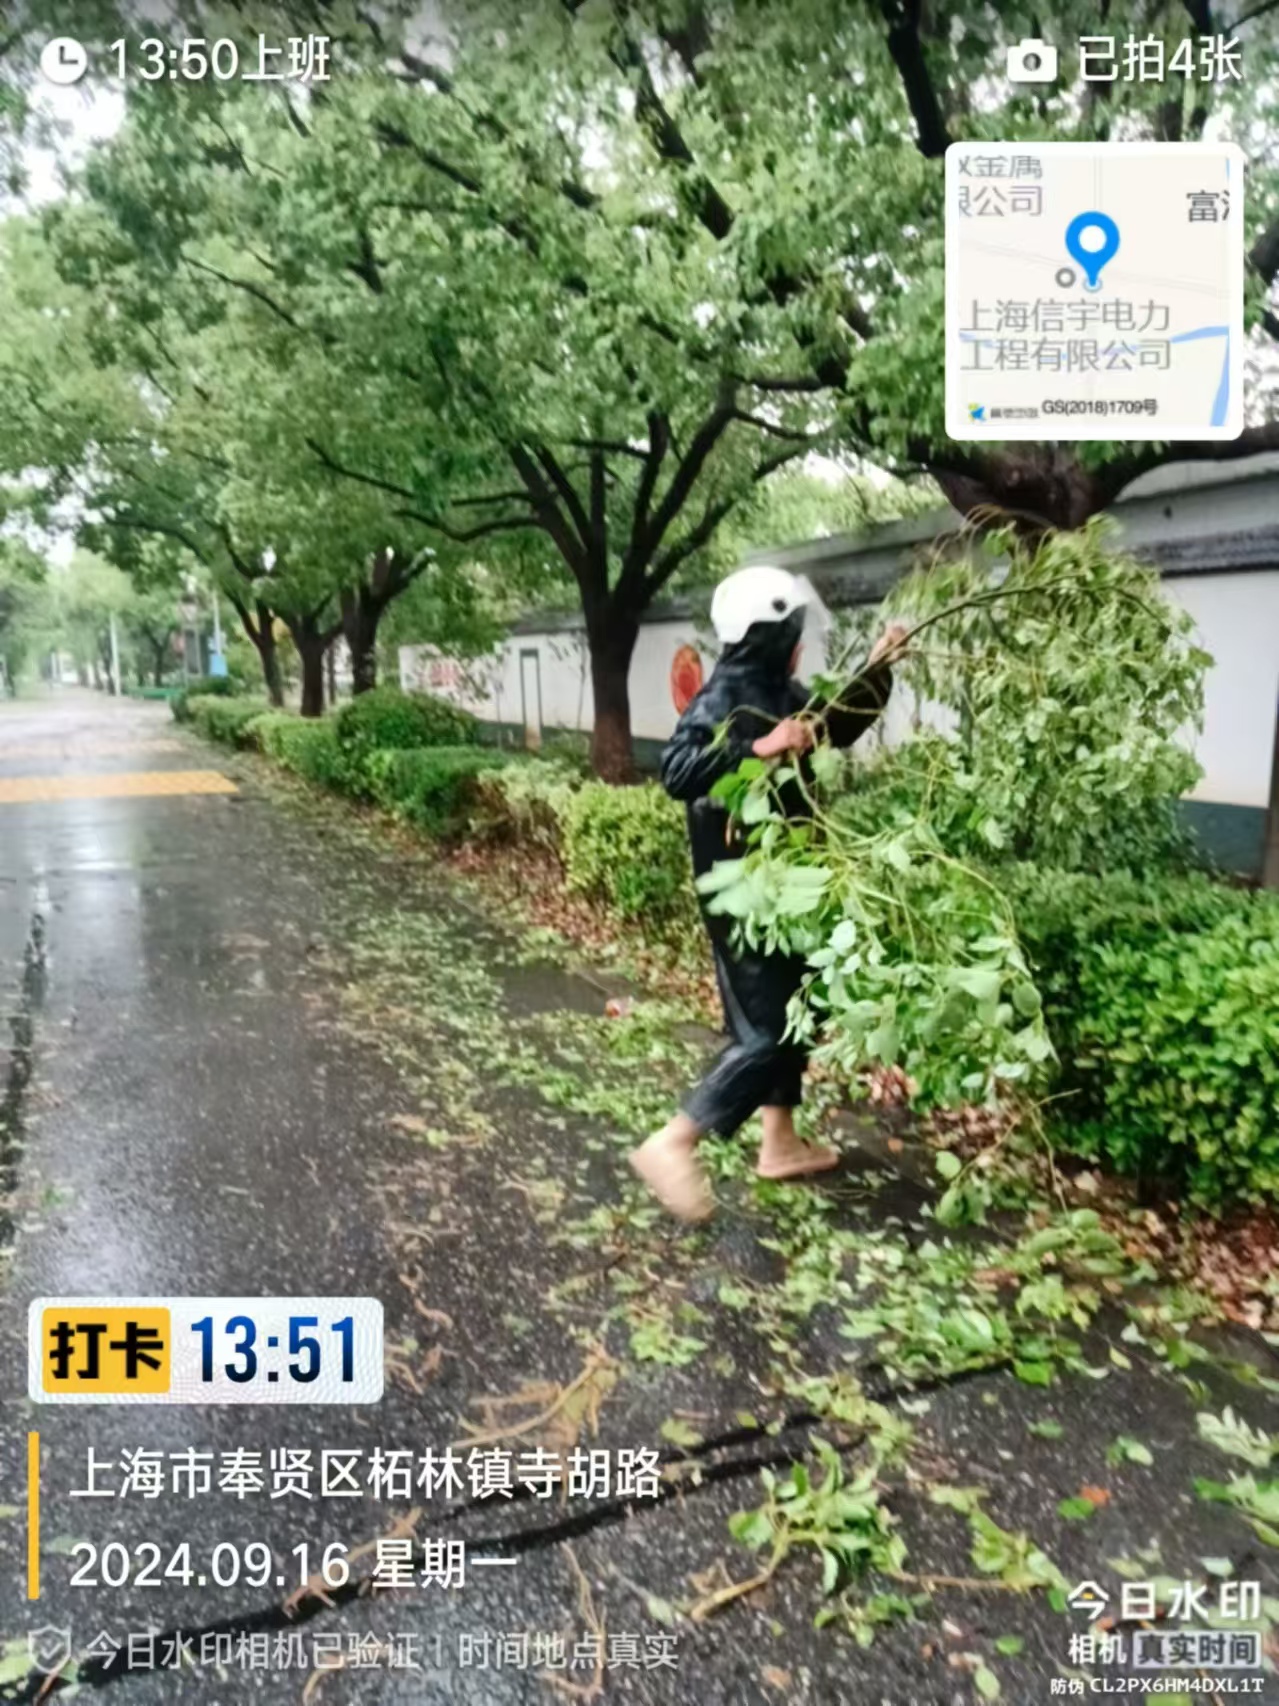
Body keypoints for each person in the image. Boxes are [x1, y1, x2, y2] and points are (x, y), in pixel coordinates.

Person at [629, 565, 908, 1221]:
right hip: (744, 893)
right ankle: (675, 1141)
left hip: (787, 884)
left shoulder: (780, 690)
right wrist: (759, 746)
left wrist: (877, 668)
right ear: (767, 634)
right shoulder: (722, 698)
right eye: (793, 630)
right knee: (770, 1031)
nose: (800, 641)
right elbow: (676, 770)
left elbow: (832, 726)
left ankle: (779, 1143)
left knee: (798, 1007)